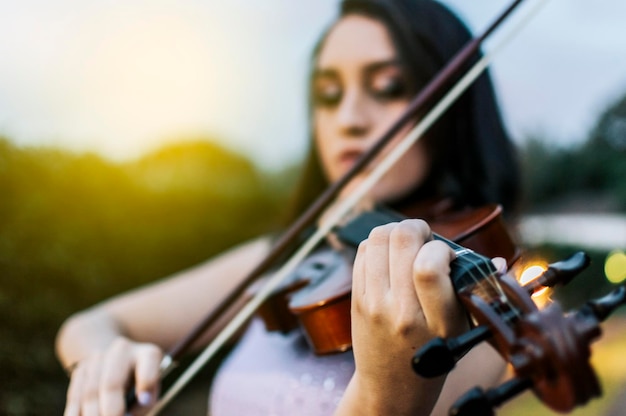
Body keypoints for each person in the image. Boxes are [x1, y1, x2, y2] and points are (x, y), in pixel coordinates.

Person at [55, 0, 521, 415]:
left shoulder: (472, 290)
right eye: (328, 94)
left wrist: (386, 395)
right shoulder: (296, 257)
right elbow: (88, 325)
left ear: (453, 107)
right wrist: (102, 364)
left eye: (389, 86)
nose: (350, 119)